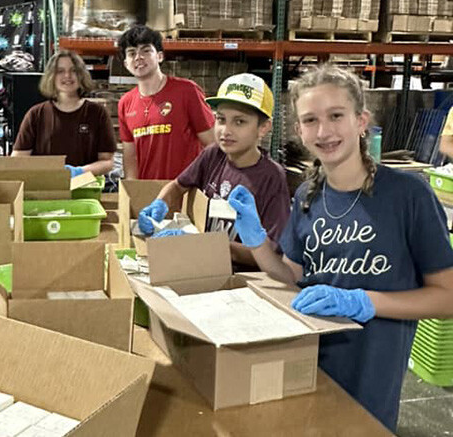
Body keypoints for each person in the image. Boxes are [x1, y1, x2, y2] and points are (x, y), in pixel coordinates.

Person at [226, 64, 453, 432]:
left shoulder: (408, 197)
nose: (324, 131)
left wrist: (364, 301)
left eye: (336, 116)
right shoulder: (306, 196)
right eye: (310, 120)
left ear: (361, 121)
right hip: (308, 367)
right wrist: (257, 243)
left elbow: (447, 299)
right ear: (298, 130)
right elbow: (293, 275)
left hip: (370, 381)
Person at [138, 73, 290, 267]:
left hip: (241, 277)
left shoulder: (271, 178)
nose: (226, 130)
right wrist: (159, 204)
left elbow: (273, 254)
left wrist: (209, 245)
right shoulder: (213, 155)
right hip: (203, 262)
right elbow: (178, 185)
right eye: (221, 119)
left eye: (239, 122)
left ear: (263, 128)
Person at [117, 25, 215, 180]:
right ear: (126, 64)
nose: (138, 57)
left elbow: (212, 144)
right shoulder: (125, 103)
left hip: (185, 192)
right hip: (148, 196)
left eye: (146, 50)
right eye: (131, 53)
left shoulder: (187, 91)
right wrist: (132, 194)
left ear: (160, 56)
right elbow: (131, 158)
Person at [11, 50, 116, 177]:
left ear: (81, 75)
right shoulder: (36, 114)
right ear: (51, 76)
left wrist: (79, 172)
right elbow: (17, 160)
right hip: (45, 190)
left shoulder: (97, 113)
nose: (67, 76)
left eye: (73, 71)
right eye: (60, 71)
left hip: (85, 188)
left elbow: (107, 161)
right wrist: (49, 173)